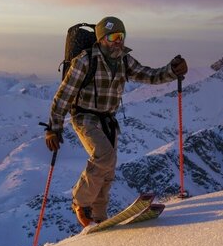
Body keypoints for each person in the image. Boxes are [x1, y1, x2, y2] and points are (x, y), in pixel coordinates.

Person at [45, 16, 188, 227]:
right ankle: (80, 203)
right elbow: (64, 95)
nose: (117, 42)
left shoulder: (123, 60)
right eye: (112, 37)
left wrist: (171, 71)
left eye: (120, 36)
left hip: (108, 119)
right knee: (104, 156)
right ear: (101, 39)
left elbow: (149, 75)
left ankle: (98, 217)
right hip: (84, 116)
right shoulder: (85, 61)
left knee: (108, 169)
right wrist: (53, 128)